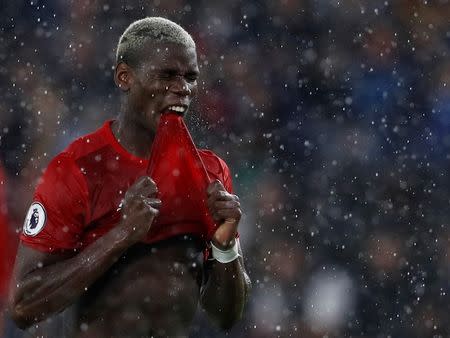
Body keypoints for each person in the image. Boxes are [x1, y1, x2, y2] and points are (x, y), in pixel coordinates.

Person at [9, 17, 251, 338]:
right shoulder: (77, 169)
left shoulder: (210, 174)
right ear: (125, 77)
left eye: (190, 77)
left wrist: (224, 247)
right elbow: (24, 307)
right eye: (167, 75)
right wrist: (122, 235)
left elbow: (225, 317)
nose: (183, 88)